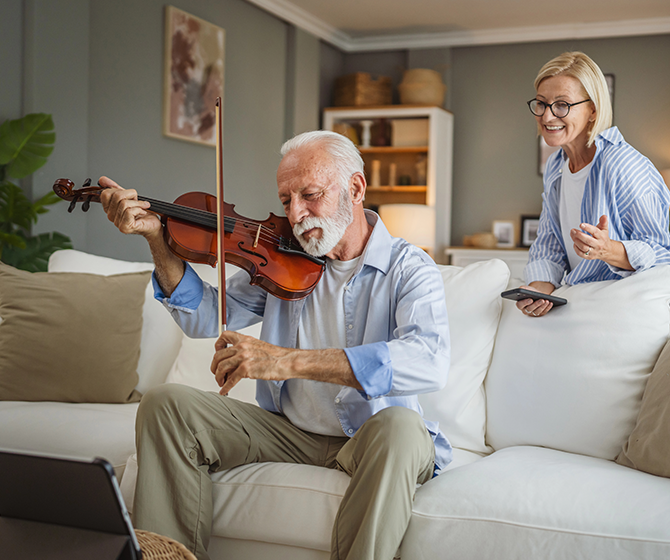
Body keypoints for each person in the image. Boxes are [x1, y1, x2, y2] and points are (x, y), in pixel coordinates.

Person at [98, 130, 451, 560]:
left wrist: (287, 362)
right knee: (166, 404)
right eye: (286, 200)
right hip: (287, 432)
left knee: (401, 428)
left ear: (355, 189)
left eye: (311, 194)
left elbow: (429, 360)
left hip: (370, 437)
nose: (297, 213)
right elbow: (205, 315)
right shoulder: (285, 256)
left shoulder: (410, 268)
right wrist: (157, 238)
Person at [517, 51, 670, 318]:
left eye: (562, 105)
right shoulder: (556, 167)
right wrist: (539, 291)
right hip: (579, 305)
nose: (547, 117)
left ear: (593, 109)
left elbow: (663, 254)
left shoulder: (623, 164)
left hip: (620, 312)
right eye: (541, 104)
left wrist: (609, 250)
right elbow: (550, 246)